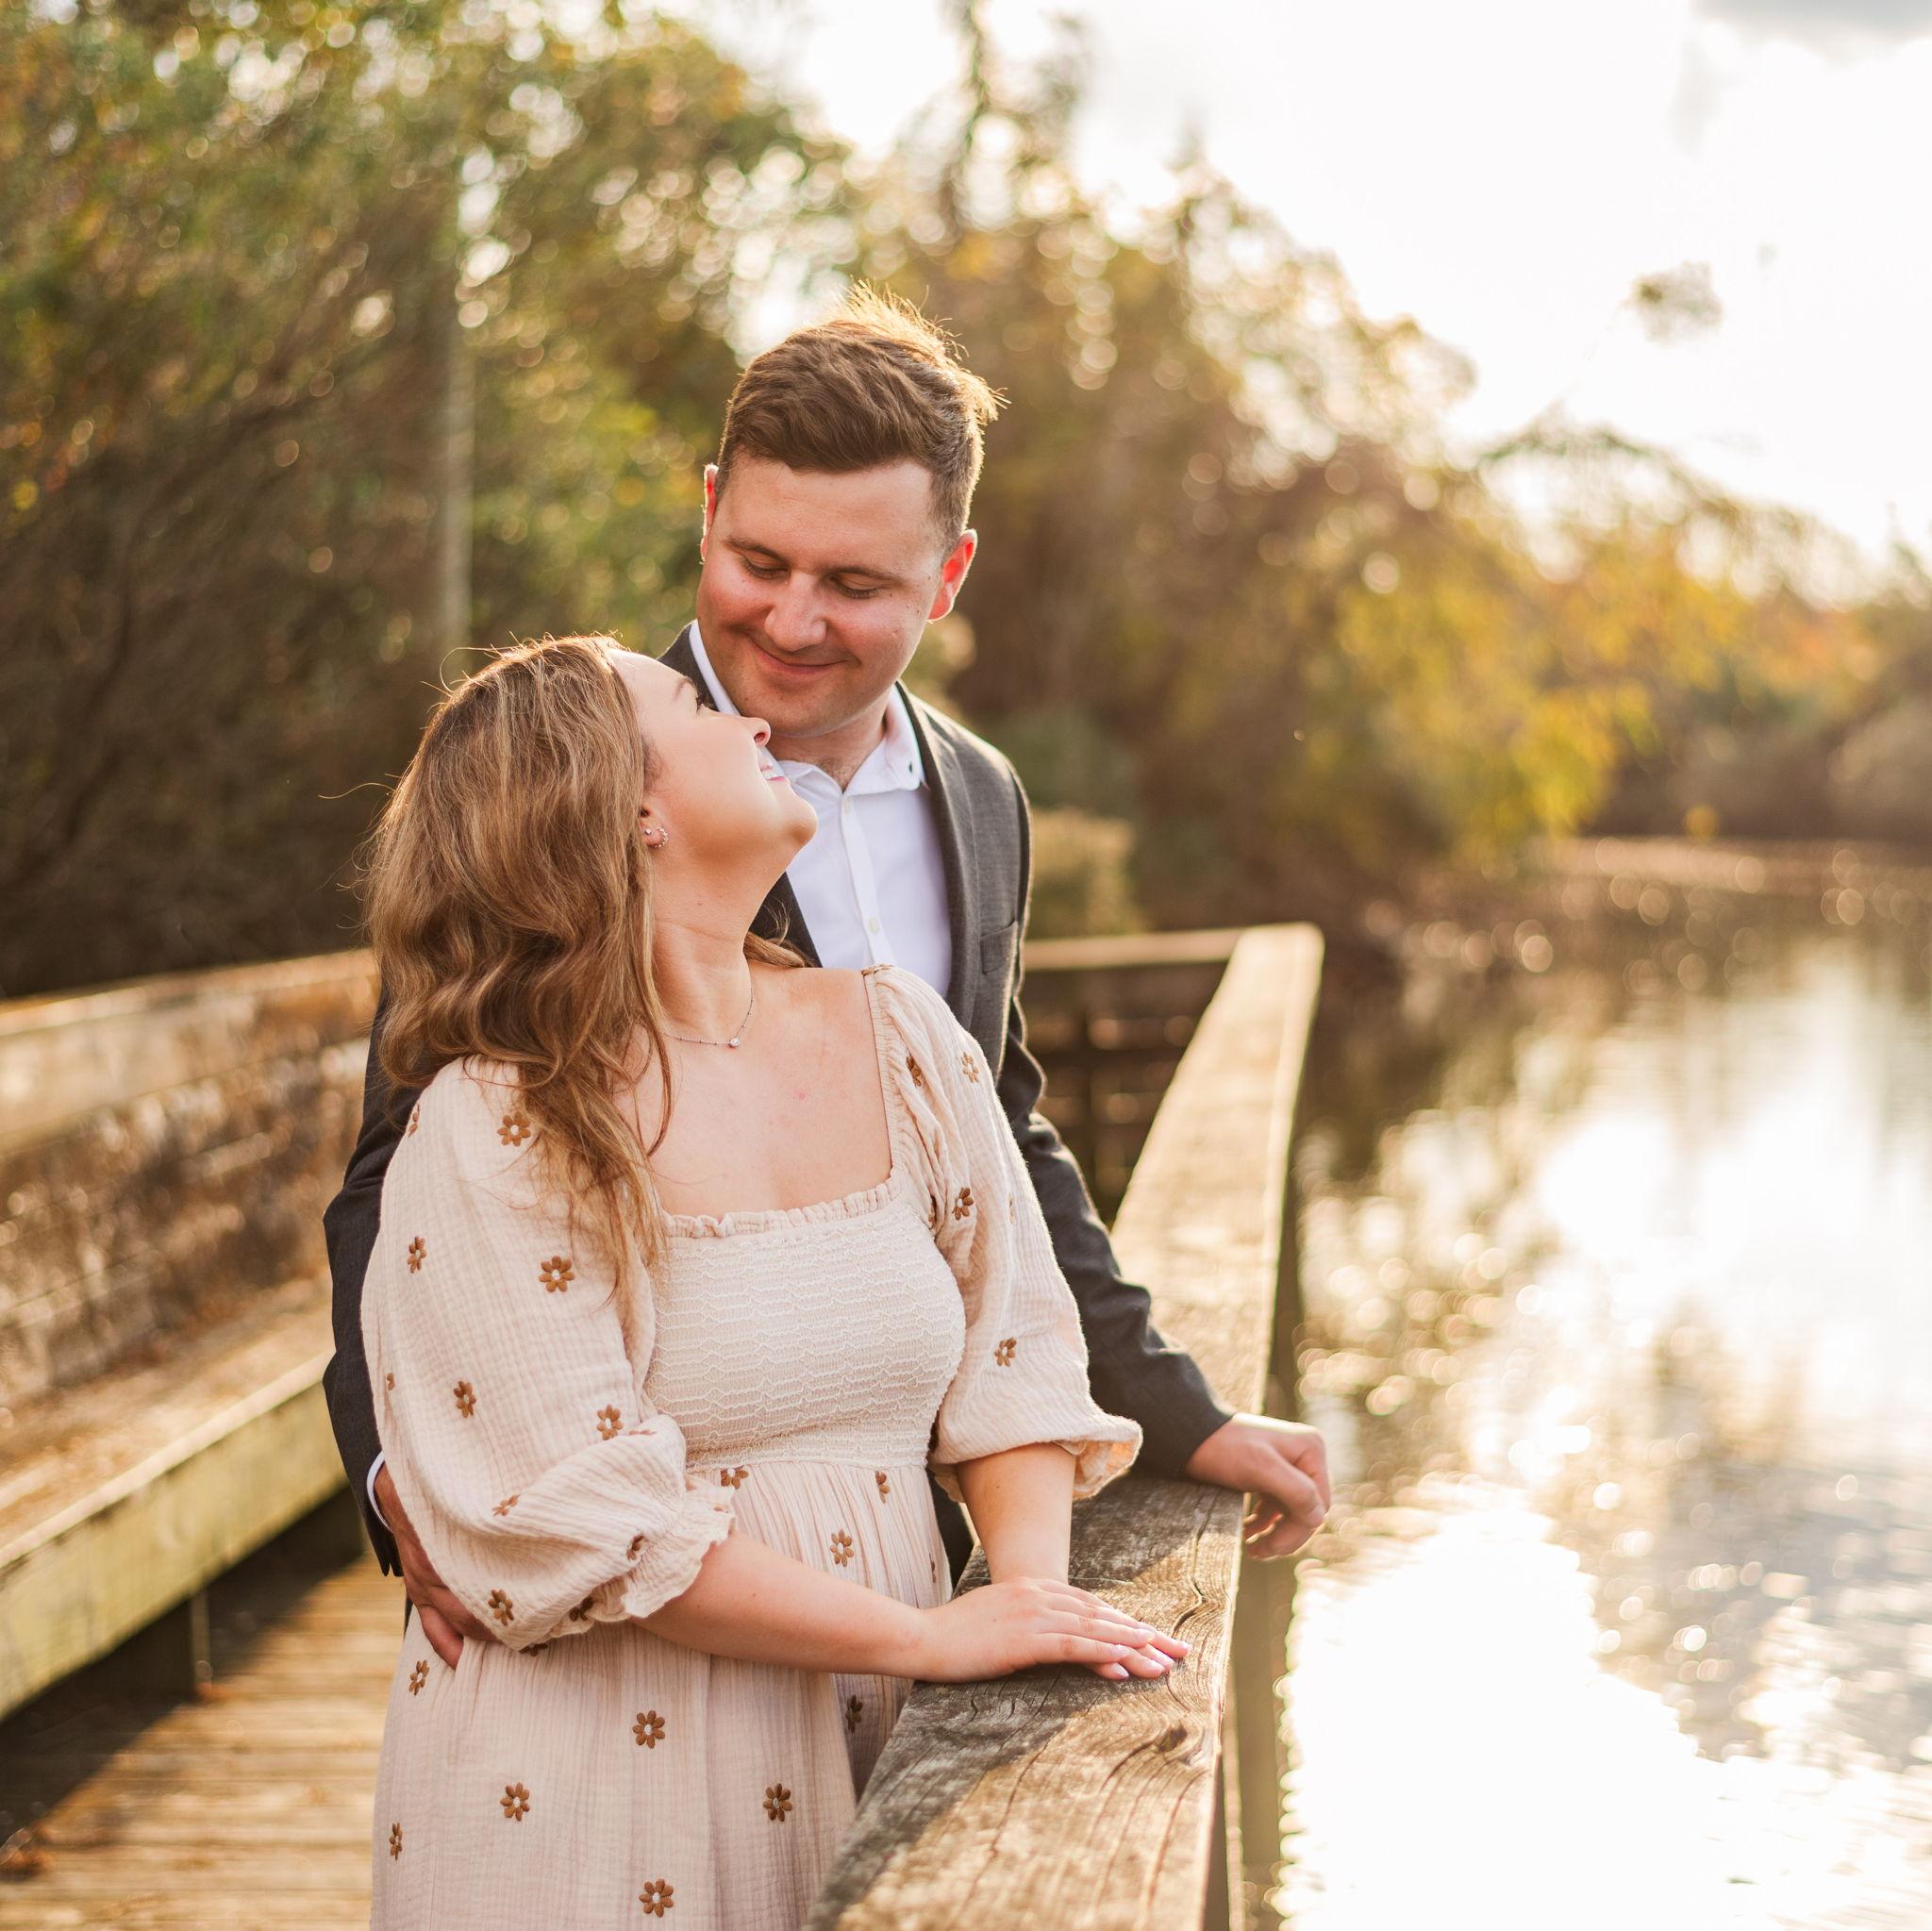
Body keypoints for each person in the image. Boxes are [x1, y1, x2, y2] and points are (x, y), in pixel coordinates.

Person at [323, 290, 1329, 1677]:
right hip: (635, 1583)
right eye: (758, 560)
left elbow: (999, 1142)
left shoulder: (981, 801)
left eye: (854, 585)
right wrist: (403, 1481)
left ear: (949, 573)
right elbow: (402, 1157)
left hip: (916, 1539)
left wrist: (1181, 1412)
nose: (791, 621)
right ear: (710, 508)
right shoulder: (578, 772)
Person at [356, 632, 1177, 1923]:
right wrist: (921, 1638)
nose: (749, 722)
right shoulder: (494, 1121)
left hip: (893, 1729)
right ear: (625, 805)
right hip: (600, 1789)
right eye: (695, 706)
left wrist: (1023, 1599)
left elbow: (1014, 1356)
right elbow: (584, 1513)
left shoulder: (899, 1032)